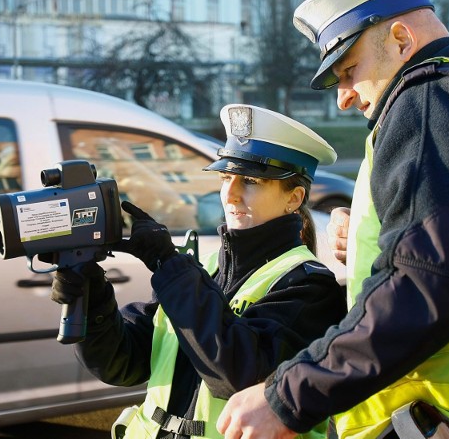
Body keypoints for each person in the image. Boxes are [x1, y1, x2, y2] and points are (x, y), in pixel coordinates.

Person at [217, 0, 449, 438]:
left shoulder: (430, 98)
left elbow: (433, 278)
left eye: (349, 70)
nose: (343, 98)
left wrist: (289, 395)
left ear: (401, 39)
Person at [50, 104, 347, 439]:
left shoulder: (310, 286)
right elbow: (122, 363)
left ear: (293, 198)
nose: (231, 193)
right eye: (225, 177)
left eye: (250, 181)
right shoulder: (203, 268)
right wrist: (92, 293)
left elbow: (238, 374)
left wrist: (169, 265)